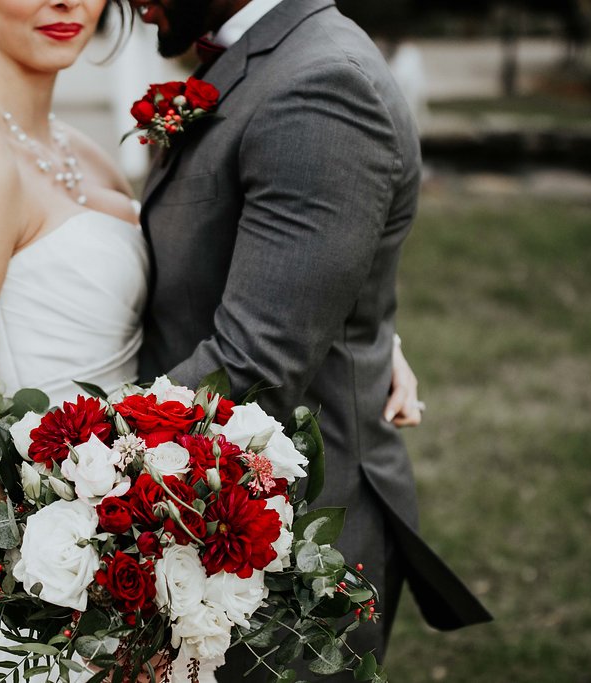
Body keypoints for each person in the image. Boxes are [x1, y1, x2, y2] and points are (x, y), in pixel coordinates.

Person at [0, 0, 430, 681]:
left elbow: (203, 283)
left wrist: (356, 328)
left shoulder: (81, 154)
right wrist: (52, 584)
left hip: (150, 531)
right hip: (69, 579)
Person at [129, 0, 493, 681]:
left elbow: (253, 362)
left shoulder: (322, 85)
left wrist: (70, 468)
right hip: (200, 510)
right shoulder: (267, 60)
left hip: (290, 546)